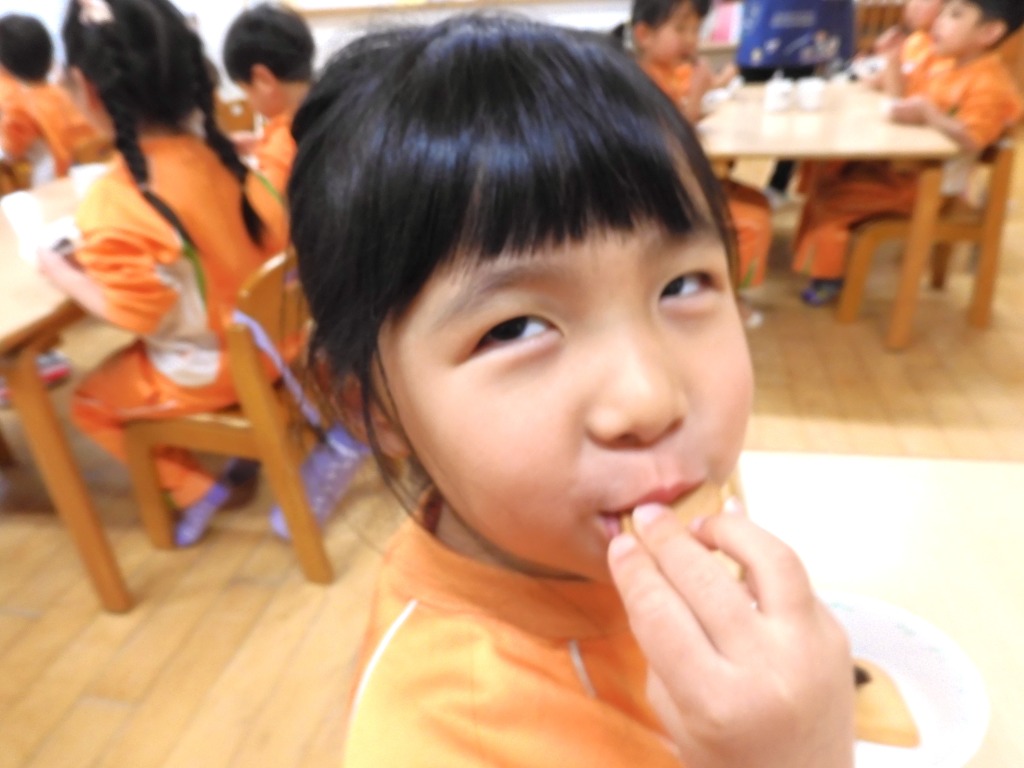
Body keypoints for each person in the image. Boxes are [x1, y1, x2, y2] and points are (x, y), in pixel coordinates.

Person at [288, 15, 854, 767]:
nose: (651, 399)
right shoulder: (445, 737)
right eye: (515, 328)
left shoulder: (645, 490)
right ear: (373, 407)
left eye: (683, 284)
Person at [37, 0, 287, 545]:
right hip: (280, 343)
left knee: (90, 402)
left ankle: (196, 489)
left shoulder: (115, 201)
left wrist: (62, 272)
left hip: (218, 367)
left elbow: (136, 315)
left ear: (87, 88)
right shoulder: (231, 157)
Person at [793, 0, 1024, 305]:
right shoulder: (944, 63)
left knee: (832, 199)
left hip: (927, 187)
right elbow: (900, 102)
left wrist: (931, 115)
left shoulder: (989, 82)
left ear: (989, 32)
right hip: (905, 169)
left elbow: (973, 139)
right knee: (824, 170)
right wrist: (892, 63)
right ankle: (817, 258)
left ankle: (828, 277)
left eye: (954, 15)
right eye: (943, 12)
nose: (939, 20)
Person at [619, 0, 772, 321]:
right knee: (750, 221)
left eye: (696, 30)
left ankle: (726, 289)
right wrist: (698, 99)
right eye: (680, 29)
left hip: (678, 180)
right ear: (644, 35)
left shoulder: (669, 72)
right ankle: (727, 299)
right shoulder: (637, 82)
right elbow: (670, 142)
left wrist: (709, 88)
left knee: (755, 200)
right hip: (656, 194)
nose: (691, 39)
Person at [732, 0, 856, 205]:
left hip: (809, 17)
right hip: (765, 17)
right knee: (746, 105)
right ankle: (732, 186)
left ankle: (778, 184)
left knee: (801, 106)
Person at [222, 2, 314, 201]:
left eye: (245, 91)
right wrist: (257, 144)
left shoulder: (277, 155)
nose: (249, 102)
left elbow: (266, 214)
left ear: (263, 80)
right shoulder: (328, 108)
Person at [0, 13, 100, 185]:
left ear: (5, 67)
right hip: (90, 175)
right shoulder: (71, 93)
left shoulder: (20, 108)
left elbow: (10, 153)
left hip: (52, 182)